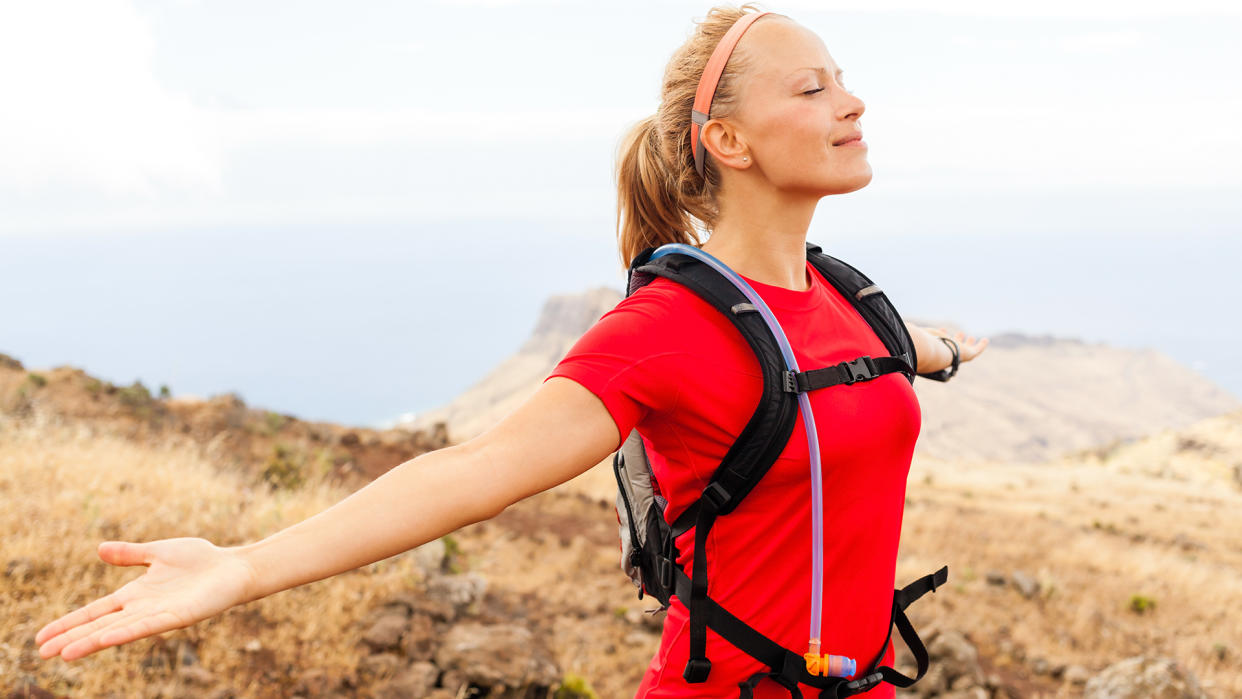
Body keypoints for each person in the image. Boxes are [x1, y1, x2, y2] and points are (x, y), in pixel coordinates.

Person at [34, 4, 988, 698]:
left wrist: (939, 349)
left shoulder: (854, 302)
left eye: (845, 79)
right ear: (727, 139)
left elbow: (883, 355)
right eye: (814, 89)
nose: (852, 104)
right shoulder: (666, 331)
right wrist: (244, 565)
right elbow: (479, 470)